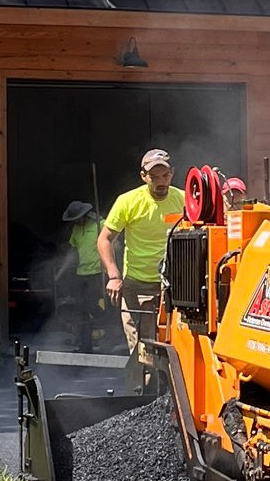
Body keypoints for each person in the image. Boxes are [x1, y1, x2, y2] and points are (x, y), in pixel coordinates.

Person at [97, 148, 185, 355]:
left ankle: (169, 387)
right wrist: (114, 276)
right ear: (143, 176)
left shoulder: (184, 200)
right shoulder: (128, 201)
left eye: (165, 175)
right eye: (154, 177)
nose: (161, 181)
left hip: (174, 285)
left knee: (175, 345)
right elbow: (104, 239)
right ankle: (145, 387)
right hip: (137, 285)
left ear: (172, 173)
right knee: (142, 348)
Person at [56, 200, 103, 351]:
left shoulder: (100, 224)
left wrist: (112, 269)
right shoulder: (76, 229)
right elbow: (72, 252)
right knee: (81, 309)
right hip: (82, 273)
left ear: (84, 214)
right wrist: (60, 272)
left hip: (98, 273)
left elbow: (113, 244)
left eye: (78, 217)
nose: (76, 221)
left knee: (91, 304)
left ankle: (111, 329)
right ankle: (85, 346)